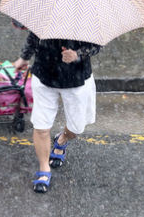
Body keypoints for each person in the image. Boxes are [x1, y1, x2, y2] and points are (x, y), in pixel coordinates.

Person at [12, 21, 101, 193]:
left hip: (76, 79)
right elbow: (33, 34)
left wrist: (78, 54)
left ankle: (62, 139)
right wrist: (24, 58)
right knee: (41, 126)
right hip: (44, 75)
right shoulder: (47, 8)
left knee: (77, 128)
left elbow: (97, 44)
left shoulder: (86, 16)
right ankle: (44, 168)